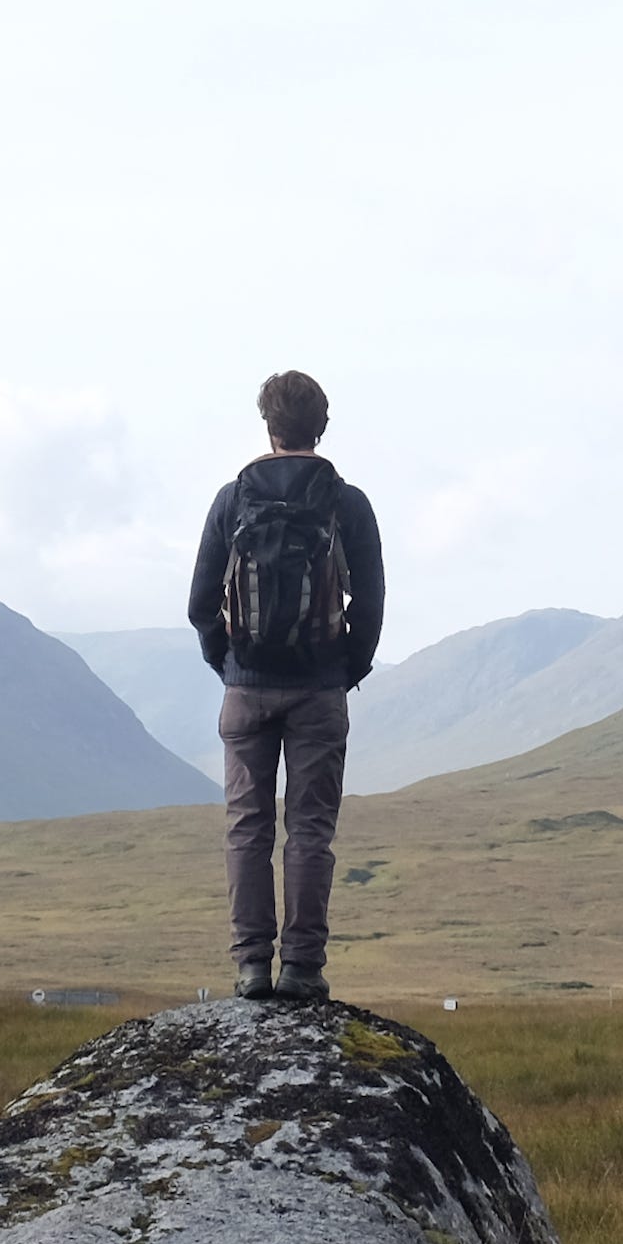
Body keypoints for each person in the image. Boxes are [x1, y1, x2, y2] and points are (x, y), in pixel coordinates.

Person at [184, 367, 386, 1002]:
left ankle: (250, 969)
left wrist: (231, 667)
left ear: (268, 427)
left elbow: (198, 602)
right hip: (320, 692)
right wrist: (342, 670)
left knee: (247, 827)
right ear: (320, 428)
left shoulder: (232, 499)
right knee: (310, 831)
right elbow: (372, 601)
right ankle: (301, 968)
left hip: (246, 690)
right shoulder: (346, 503)